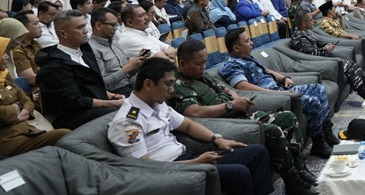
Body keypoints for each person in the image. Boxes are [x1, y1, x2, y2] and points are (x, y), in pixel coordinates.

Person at [107, 58, 274, 195]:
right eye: (168, 84)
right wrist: (195, 163)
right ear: (148, 84)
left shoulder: (157, 103)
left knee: (257, 152)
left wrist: (218, 140)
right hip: (171, 171)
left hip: (188, 156)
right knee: (239, 173)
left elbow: (187, 125)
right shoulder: (128, 122)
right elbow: (146, 168)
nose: (172, 90)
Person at [171, 40, 317, 195]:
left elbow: (226, 89)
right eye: (199, 63)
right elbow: (194, 112)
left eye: (205, 62)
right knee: (273, 131)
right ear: (182, 63)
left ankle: (299, 167)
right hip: (225, 124)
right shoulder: (179, 85)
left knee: (288, 118)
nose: (203, 66)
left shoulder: (202, 75)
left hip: (239, 116)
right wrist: (229, 106)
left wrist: (236, 99)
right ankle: (292, 180)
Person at [219, 28, 336, 159]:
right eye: (247, 41)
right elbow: (243, 86)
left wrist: (283, 78)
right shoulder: (230, 65)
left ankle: (327, 133)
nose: (251, 43)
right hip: (272, 97)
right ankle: (318, 143)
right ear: (236, 48)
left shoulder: (247, 58)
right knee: (312, 101)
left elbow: (266, 70)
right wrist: (275, 93)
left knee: (318, 89)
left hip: (279, 90)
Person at [35, 10, 125, 129]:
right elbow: (74, 101)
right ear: (63, 34)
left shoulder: (84, 51)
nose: (86, 31)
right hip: (72, 116)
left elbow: (91, 86)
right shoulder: (55, 65)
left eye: (85, 26)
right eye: (80, 27)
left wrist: (113, 96)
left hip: (94, 106)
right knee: (124, 115)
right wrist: (111, 103)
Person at [0, 35, 69, 157]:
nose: (7, 57)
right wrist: (16, 110)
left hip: (27, 129)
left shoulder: (4, 75)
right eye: (3, 53)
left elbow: (26, 100)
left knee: (66, 139)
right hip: (7, 139)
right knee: (64, 135)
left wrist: (21, 109)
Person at [289, 9, 365, 99]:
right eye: (311, 19)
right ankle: (364, 92)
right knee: (348, 66)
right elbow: (310, 55)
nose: (313, 21)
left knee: (351, 63)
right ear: (304, 23)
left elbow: (318, 43)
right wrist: (326, 49)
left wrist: (326, 45)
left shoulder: (306, 32)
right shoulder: (300, 37)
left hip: (322, 59)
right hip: (314, 63)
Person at [89, 7, 147, 95]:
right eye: (112, 25)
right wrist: (128, 68)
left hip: (131, 86)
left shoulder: (115, 43)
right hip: (116, 93)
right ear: (98, 25)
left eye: (116, 25)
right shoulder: (92, 49)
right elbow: (103, 84)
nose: (115, 28)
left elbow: (128, 73)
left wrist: (137, 64)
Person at [319, 2, 365, 67]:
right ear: (329, 11)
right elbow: (336, 34)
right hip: (343, 40)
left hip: (347, 38)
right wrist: (351, 36)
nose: (335, 11)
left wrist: (340, 18)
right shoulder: (325, 22)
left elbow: (342, 29)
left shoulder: (332, 19)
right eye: (333, 9)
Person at [10, 12, 43, 86]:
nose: (40, 26)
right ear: (23, 27)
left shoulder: (35, 44)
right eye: (35, 24)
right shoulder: (17, 49)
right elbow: (30, 78)